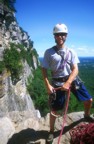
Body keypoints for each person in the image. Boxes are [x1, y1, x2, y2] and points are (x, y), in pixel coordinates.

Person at [41, 23, 93, 142]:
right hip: (58, 83)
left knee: (89, 100)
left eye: (63, 34)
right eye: (58, 34)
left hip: (72, 80)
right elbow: (43, 69)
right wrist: (47, 85)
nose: (60, 37)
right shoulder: (49, 52)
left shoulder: (71, 51)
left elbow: (75, 69)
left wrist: (69, 82)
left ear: (66, 36)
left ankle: (86, 115)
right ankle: (51, 132)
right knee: (54, 110)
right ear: (54, 36)